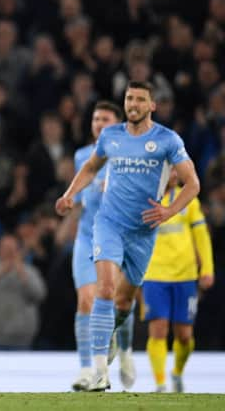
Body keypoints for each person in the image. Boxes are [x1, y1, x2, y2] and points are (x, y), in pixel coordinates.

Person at [55, 81, 200, 391]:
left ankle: (110, 342)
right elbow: (92, 167)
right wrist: (69, 195)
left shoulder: (167, 140)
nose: (133, 103)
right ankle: (97, 372)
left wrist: (169, 211)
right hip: (109, 223)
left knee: (124, 301)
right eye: (129, 98)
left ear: (152, 105)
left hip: (143, 232)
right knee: (104, 289)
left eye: (140, 99)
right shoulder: (111, 136)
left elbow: (192, 183)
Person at [69, 101, 137, 391]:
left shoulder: (129, 156)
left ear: (117, 124)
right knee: (86, 300)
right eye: (95, 118)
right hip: (87, 236)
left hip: (118, 236)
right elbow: (83, 197)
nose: (98, 123)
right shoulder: (82, 156)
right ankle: (89, 371)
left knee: (116, 300)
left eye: (105, 119)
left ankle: (125, 350)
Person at [142, 167, 214, 392]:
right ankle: (161, 383)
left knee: (184, 336)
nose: (173, 174)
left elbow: (201, 236)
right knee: (159, 329)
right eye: (168, 170)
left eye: (175, 170)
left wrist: (207, 269)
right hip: (154, 274)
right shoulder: (144, 199)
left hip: (185, 275)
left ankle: (177, 373)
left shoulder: (188, 200)